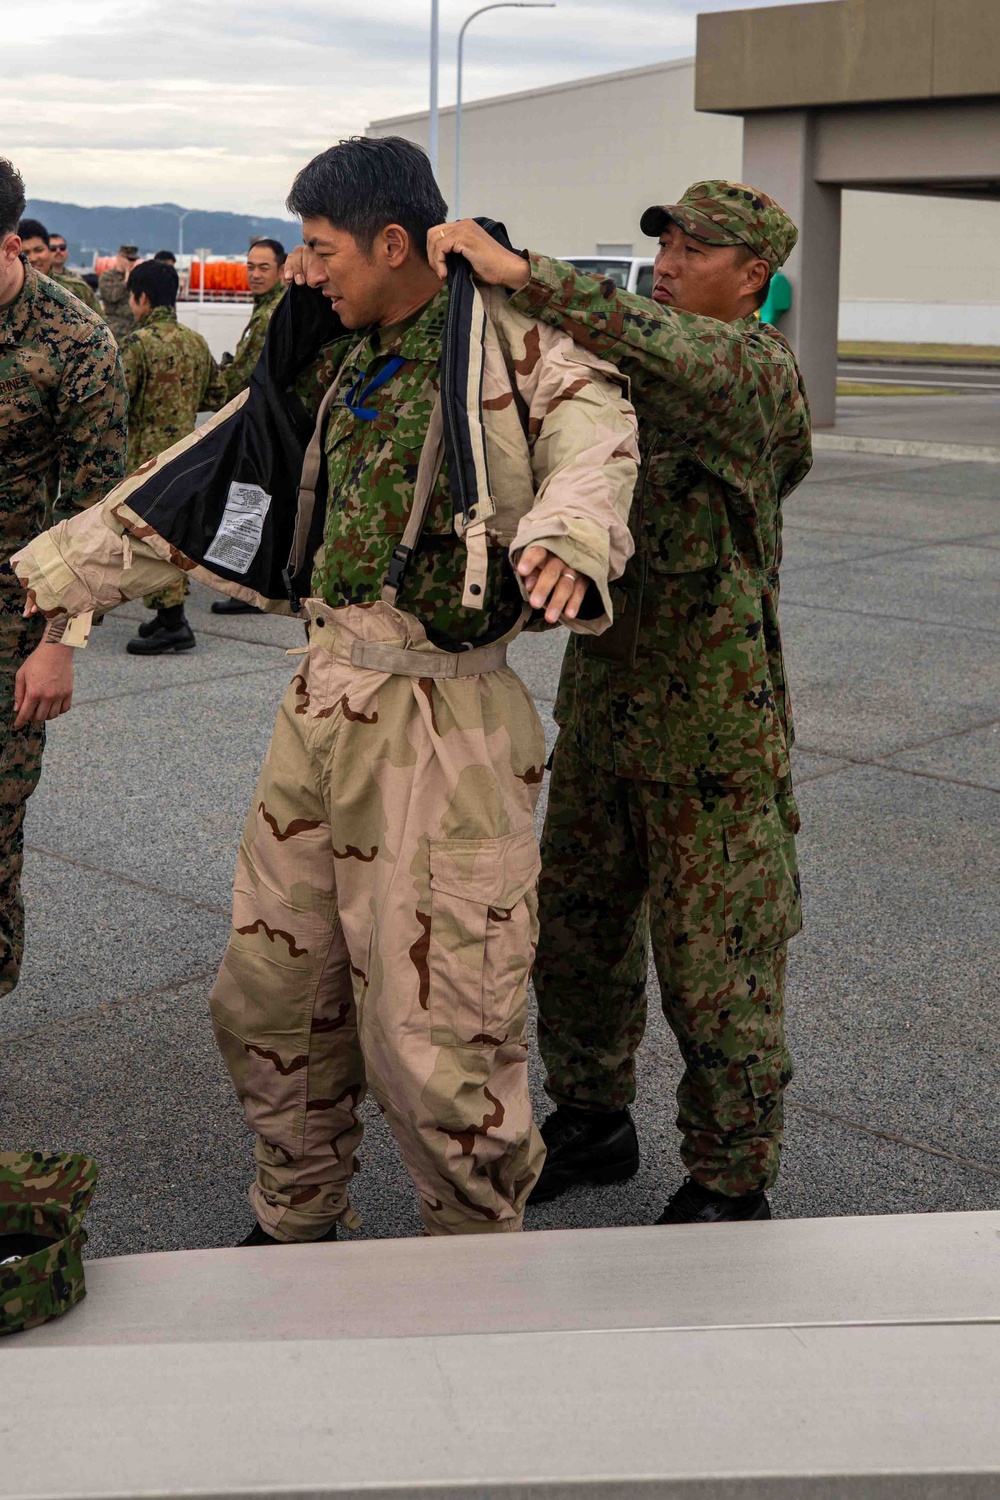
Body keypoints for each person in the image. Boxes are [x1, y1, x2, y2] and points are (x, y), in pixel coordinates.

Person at [13, 135, 639, 1243]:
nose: (305, 270)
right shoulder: (335, 353)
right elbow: (207, 472)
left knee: (442, 1031)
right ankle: (294, 1219)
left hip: (446, 724)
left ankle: (472, 1249)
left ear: (392, 243)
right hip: (322, 699)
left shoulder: (517, 346)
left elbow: (594, 443)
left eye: (318, 248)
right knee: (272, 996)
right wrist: (60, 574)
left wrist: (571, 535)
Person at [430, 180, 811, 1225]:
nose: (674, 262)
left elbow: (670, 347)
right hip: (605, 718)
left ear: (754, 278)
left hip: (713, 742)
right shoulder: (631, 380)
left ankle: (732, 1177)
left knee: (716, 966)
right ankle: (592, 1121)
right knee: (579, 939)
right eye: (669, 245)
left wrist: (526, 276)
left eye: (698, 251)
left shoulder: (753, 373)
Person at [0, 158, 126, 995]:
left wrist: (60, 644)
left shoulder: (74, 341)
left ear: (11, 245)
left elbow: (95, 512)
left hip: (10, 625)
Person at [119, 258, 226, 655]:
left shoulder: (137, 343)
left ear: (142, 298)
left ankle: (173, 622)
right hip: (187, 456)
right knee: (173, 535)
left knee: (150, 541)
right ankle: (166, 616)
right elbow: (217, 395)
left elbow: (117, 402)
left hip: (145, 460)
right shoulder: (195, 341)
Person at [209, 237, 287, 617]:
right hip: (259, 419)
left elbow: (247, 373)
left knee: (251, 505)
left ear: (282, 270)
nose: (255, 275)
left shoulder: (274, 311)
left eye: (263, 268)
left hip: (262, 422)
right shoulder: (265, 308)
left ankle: (251, 588)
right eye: (250, 267)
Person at [16, 219, 102, 315]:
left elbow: (101, 327)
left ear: (49, 250)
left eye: (39, 250)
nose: (33, 258)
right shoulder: (9, 294)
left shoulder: (78, 290)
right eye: (25, 253)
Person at [99, 245, 139, 344]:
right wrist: (126, 281)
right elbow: (111, 296)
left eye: (133, 260)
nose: (131, 263)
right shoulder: (107, 277)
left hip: (134, 328)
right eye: (129, 259)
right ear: (119, 258)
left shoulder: (138, 277)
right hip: (115, 329)